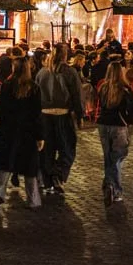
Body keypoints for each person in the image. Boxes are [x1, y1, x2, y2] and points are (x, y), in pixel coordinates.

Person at [0, 55, 44, 210]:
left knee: (5, 164)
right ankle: (33, 199)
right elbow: (36, 114)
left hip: (9, 130)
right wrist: (39, 136)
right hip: (27, 131)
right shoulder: (34, 88)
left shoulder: (7, 85)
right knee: (30, 168)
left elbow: (2, 110)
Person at [35, 44, 84, 195]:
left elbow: (35, 95)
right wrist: (80, 115)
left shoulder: (42, 72)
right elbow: (77, 94)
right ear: (65, 56)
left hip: (44, 115)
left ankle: (48, 179)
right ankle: (58, 173)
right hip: (62, 115)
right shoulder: (70, 72)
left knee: (47, 150)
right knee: (67, 148)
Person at [95, 60, 133, 205]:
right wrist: (128, 122)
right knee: (117, 157)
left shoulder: (103, 88)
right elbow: (131, 109)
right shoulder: (126, 89)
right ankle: (115, 188)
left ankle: (108, 184)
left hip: (103, 123)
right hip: (118, 124)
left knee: (108, 156)